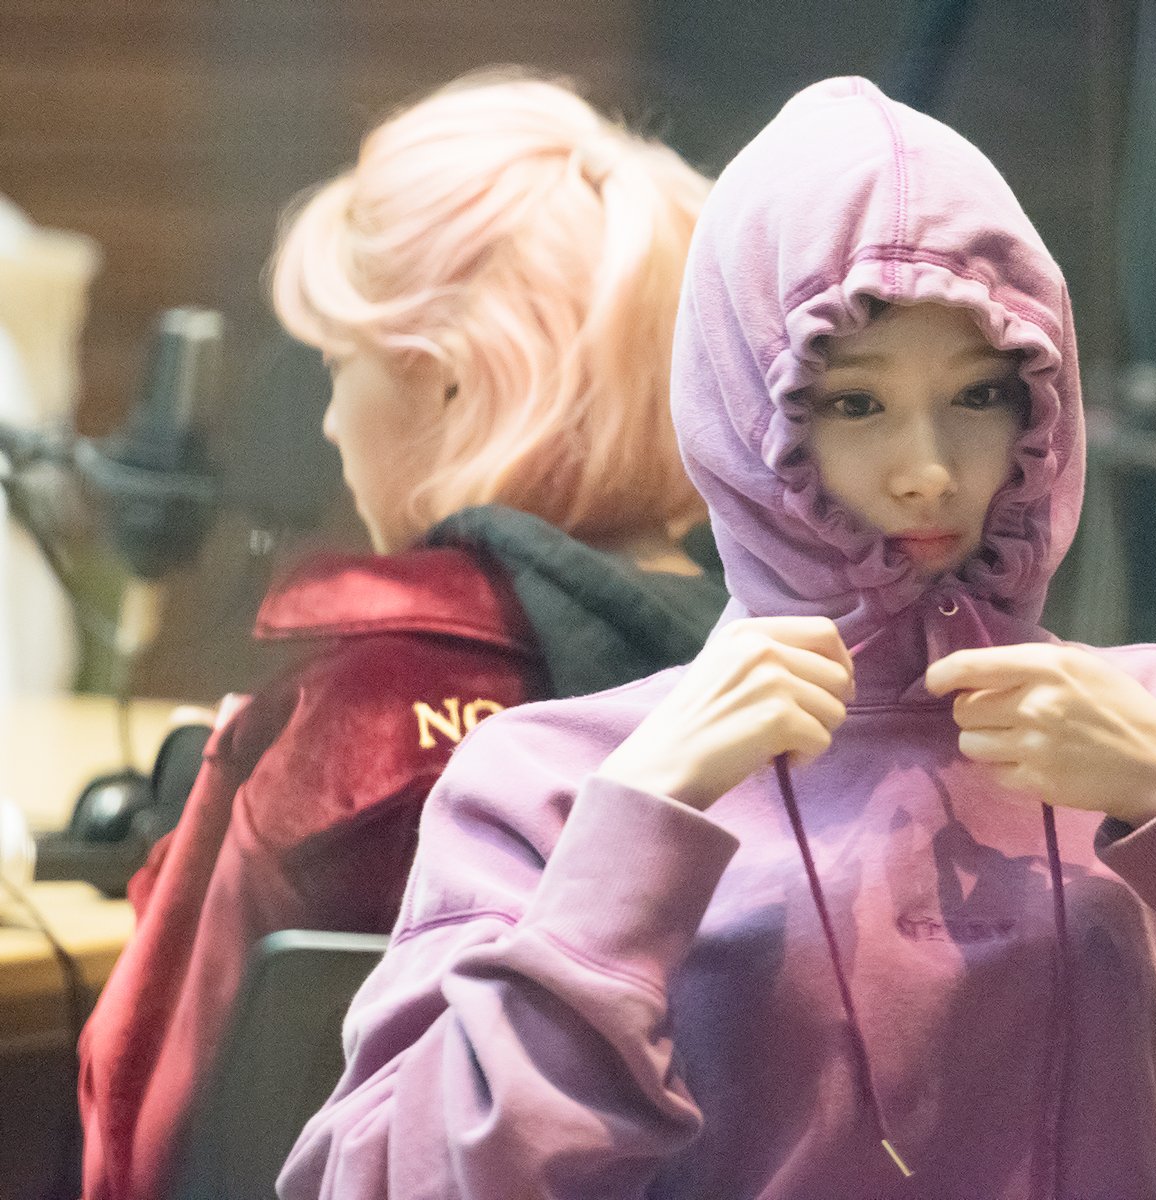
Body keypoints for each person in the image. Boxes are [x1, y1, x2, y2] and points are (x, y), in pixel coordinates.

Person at [279, 77, 1156, 1200]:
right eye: (856, 404)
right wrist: (631, 841)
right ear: (748, 405)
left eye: (979, 396)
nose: (929, 472)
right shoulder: (555, 779)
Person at [77, 70, 729, 1200]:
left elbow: (149, 1115)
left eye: (340, 367)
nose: (333, 421)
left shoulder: (360, 701)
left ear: (443, 383)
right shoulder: (788, 674)